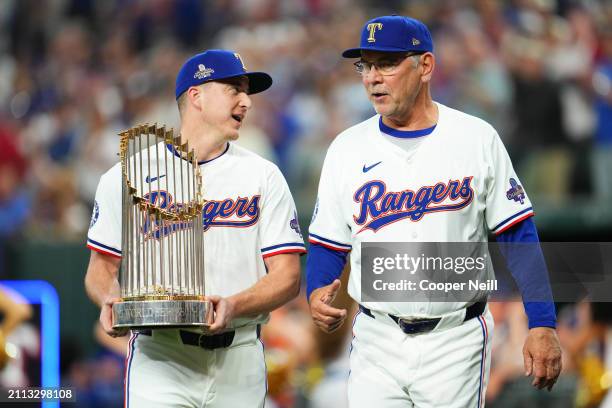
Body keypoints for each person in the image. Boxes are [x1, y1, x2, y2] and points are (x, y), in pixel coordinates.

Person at [306, 15, 562, 407]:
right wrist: (317, 290)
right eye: (366, 65)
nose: (372, 77)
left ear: (425, 65)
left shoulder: (476, 138)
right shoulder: (346, 147)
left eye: (387, 63)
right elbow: (328, 242)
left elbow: (518, 235)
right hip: (377, 337)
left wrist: (542, 321)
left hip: (455, 340)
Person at [84, 49, 306, 408]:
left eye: (247, 91)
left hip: (240, 355)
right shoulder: (126, 176)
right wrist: (109, 298)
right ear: (196, 95)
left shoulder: (263, 176)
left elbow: (287, 276)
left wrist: (235, 304)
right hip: (160, 357)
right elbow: (100, 268)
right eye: (234, 89)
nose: (246, 101)